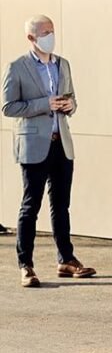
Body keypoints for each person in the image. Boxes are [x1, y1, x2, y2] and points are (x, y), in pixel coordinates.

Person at [2, 15, 95, 288]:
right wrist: (45, 104)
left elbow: (72, 98)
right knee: (31, 206)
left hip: (61, 142)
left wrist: (69, 106)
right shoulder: (16, 67)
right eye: (44, 32)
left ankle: (66, 259)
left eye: (52, 31)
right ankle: (26, 265)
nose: (50, 36)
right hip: (33, 145)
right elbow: (8, 107)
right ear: (31, 38)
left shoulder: (62, 64)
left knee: (61, 205)